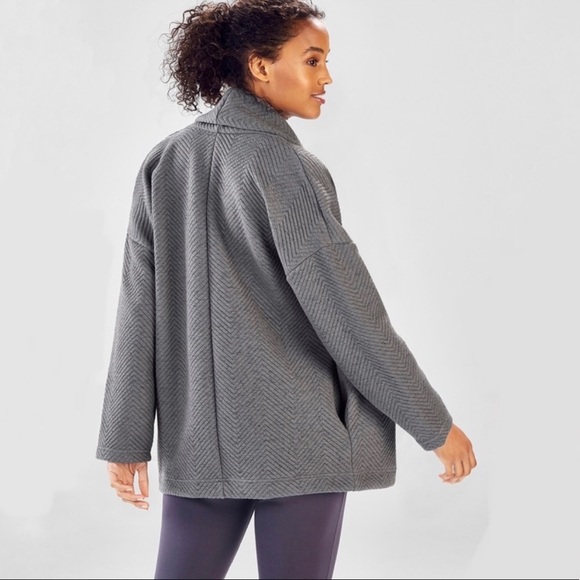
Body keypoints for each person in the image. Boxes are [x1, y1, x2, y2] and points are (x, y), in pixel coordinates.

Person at [96, 0, 477, 578]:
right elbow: (350, 316)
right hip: (300, 440)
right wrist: (434, 425)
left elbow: (136, 311)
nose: (327, 77)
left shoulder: (165, 161)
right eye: (313, 59)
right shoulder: (287, 167)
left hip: (199, 441)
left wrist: (124, 438)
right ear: (260, 65)